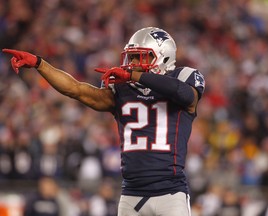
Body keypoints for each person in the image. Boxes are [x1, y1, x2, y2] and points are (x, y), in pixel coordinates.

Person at [3, 27, 205, 216]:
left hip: (170, 194)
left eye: (141, 57)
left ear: (163, 56)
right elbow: (76, 89)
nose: (133, 62)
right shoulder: (124, 89)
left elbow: (185, 95)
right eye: (132, 57)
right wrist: (40, 64)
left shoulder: (184, 77)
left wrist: (133, 75)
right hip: (131, 194)